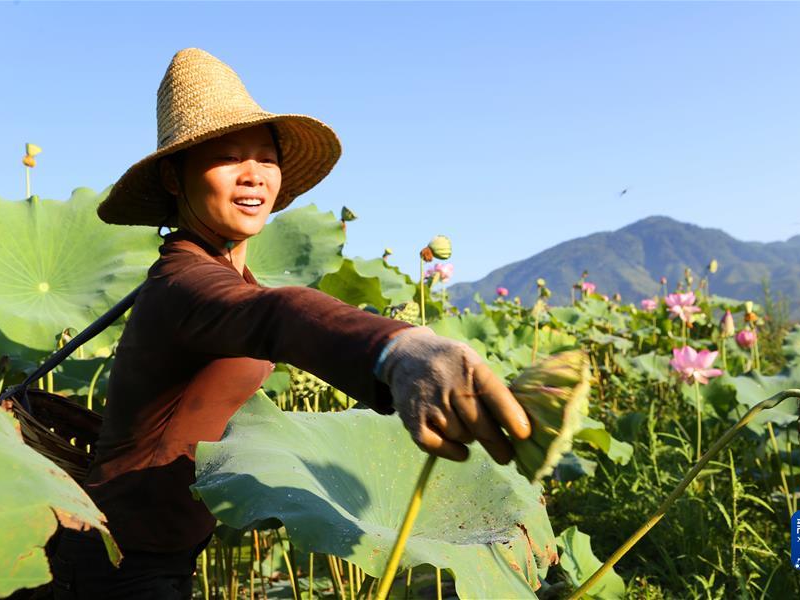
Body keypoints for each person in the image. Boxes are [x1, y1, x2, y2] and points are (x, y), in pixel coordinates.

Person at [49, 47, 530, 599]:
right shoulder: (184, 283)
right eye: (228, 157)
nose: (253, 174)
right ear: (174, 179)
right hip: (119, 563)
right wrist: (399, 351)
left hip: (159, 550)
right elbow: (279, 316)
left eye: (266, 157)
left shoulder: (221, 275)